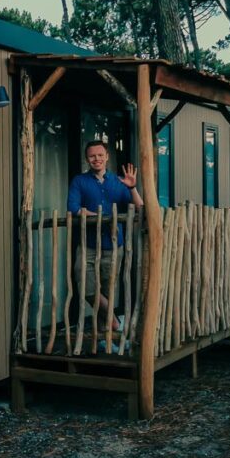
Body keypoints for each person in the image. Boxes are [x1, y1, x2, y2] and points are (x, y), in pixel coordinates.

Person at [67, 139, 144, 333]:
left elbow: (140, 208)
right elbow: (74, 209)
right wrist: (104, 218)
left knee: (108, 290)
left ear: (107, 157)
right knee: (86, 287)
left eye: (100, 155)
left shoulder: (119, 182)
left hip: (113, 246)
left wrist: (132, 187)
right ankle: (116, 322)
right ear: (87, 159)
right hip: (87, 245)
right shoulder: (79, 181)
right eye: (92, 156)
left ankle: (104, 337)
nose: (96, 159)